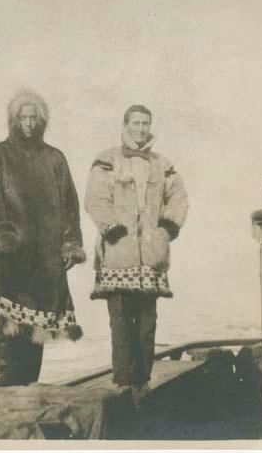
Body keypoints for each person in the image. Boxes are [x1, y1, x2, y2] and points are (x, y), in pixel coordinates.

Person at [0, 91, 85, 387]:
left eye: (34, 117)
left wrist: (71, 244)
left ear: (42, 120)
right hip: (8, 256)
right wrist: (2, 237)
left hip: (45, 258)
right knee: (6, 318)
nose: (29, 123)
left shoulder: (54, 159)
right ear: (13, 120)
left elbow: (69, 206)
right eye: (23, 117)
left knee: (37, 321)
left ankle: (27, 385)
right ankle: (6, 381)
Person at [85, 104, 188, 404]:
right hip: (119, 255)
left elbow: (179, 198)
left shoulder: (162, 163)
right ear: (126, 124)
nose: (141, 129)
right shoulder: (107, 160)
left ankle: (142, 382)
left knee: (147, 323)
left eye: (146, 123)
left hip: (152, 256)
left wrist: (166, 229)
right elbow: (95, 198)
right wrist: (112, 229)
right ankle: (122, 383)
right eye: (136, 123)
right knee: (120, 321)